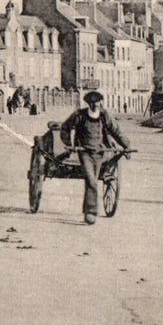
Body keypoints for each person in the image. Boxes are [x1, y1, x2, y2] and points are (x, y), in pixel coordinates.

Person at [61, 91, 131, 225]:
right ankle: (90, 212)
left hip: (100, 153)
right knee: (91, 181)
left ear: (100, 102)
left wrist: (126, 146)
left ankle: (89, 209)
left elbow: (115, 131)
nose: (95, 105)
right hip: (85, 153)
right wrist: (69, 145)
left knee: (93, 180)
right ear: (88, 103)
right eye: (92, 103)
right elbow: (65, 128)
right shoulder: (80, 115)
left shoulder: (104, 116)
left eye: (97, 102)